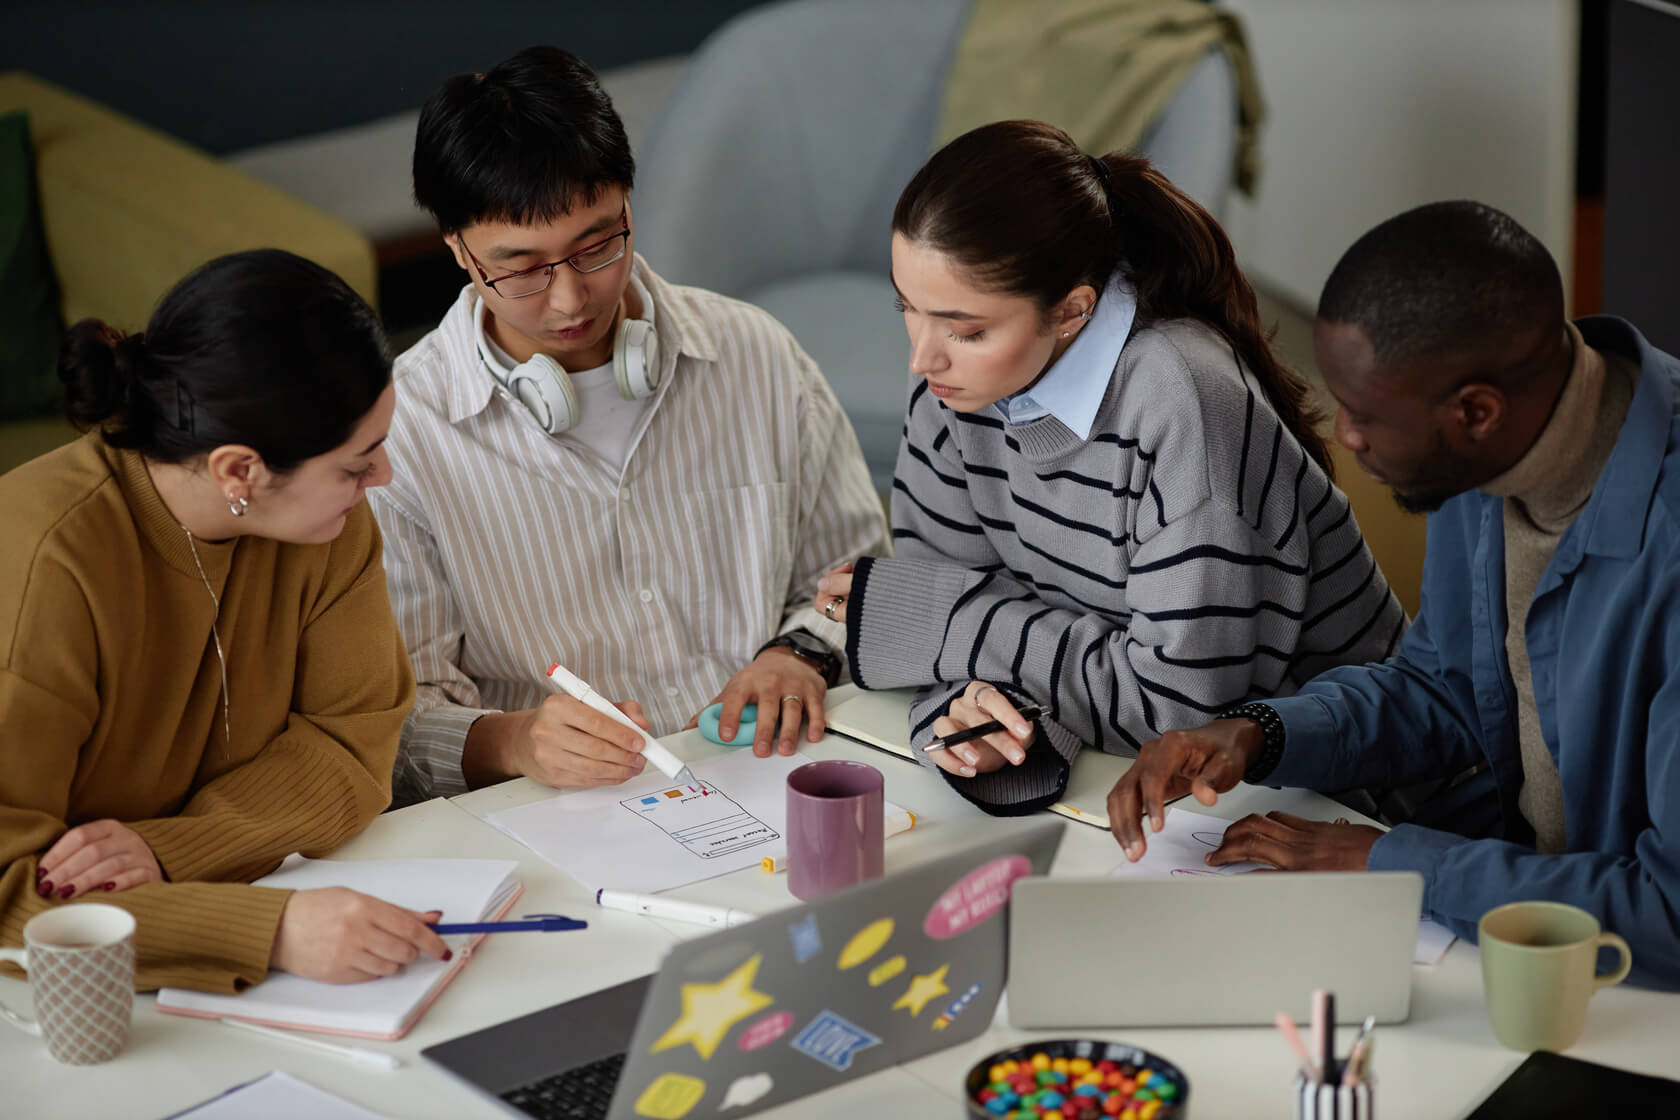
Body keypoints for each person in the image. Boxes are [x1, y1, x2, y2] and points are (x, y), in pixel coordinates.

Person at [1108, 200, 1680, 989]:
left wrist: (1388, 860)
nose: (1344, 436)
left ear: (1476, 411)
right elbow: (1445, 691)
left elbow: (1671, 914)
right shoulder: (1481, 461)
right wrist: (1260, 736)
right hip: (1519, 932)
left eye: (1365, 414)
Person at [817, 120, 1405, 814]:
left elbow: (1178, 716)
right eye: (906, 308)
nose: (922, 357)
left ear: (1072, 310)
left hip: (1337, 802)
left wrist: (939, 624)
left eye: (966, 329)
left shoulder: (1185, 399)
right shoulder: (956, 387)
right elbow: (948, 645)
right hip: (1134, 792)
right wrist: (979, 717)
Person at [374, 46, 887, 807]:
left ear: (628, 208)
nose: (569, 299)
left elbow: (859, 576)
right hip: (562, 817)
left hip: (773, 774)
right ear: (457, 250)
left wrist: (799, 654)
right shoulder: (401, 434)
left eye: (597, 245)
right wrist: (516, 740)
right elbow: (398, 722)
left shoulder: (753, 354)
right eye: (521, 269)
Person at [0, 250, 447, 993]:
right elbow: (16, 894)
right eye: (355, 462)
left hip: (192, 945)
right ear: (239, 472)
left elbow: (354, 741)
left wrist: (172, 848)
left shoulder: (329, 526)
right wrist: (268, 931)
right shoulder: (46, 566)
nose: (383, 478)